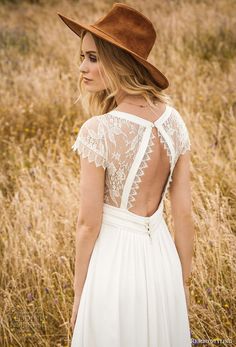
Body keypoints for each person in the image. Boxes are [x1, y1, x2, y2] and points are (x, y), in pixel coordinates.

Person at [58, 3, 194, 347]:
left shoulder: (98, 130)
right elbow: (184, 214)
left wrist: (79, 296)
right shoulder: (174, 121)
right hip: (162, 260)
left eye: (92, 57)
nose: (81, 68)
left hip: (114, 265)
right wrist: (180, 284)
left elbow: (88, 224)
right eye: (82, 57)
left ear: (119, 62)